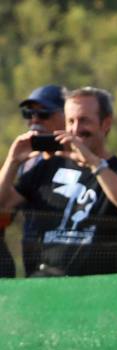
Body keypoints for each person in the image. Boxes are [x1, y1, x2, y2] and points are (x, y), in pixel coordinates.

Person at [0, 86, 117, 277]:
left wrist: (94, 163)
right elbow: (3, 205)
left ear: (106, 123)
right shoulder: (46, 167)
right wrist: (12, 161)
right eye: (71, 121)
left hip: (99, 292)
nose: (76, 129)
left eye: (84, 120)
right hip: (42, 286)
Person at [1, 85, 65, 278]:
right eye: (28, 113)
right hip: (36, 259)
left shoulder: (85, 160)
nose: (34, 120)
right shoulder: (28, 163)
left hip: (73, 261)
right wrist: (12, 162)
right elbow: (3, 211)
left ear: (67, 116)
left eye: (43, 113)